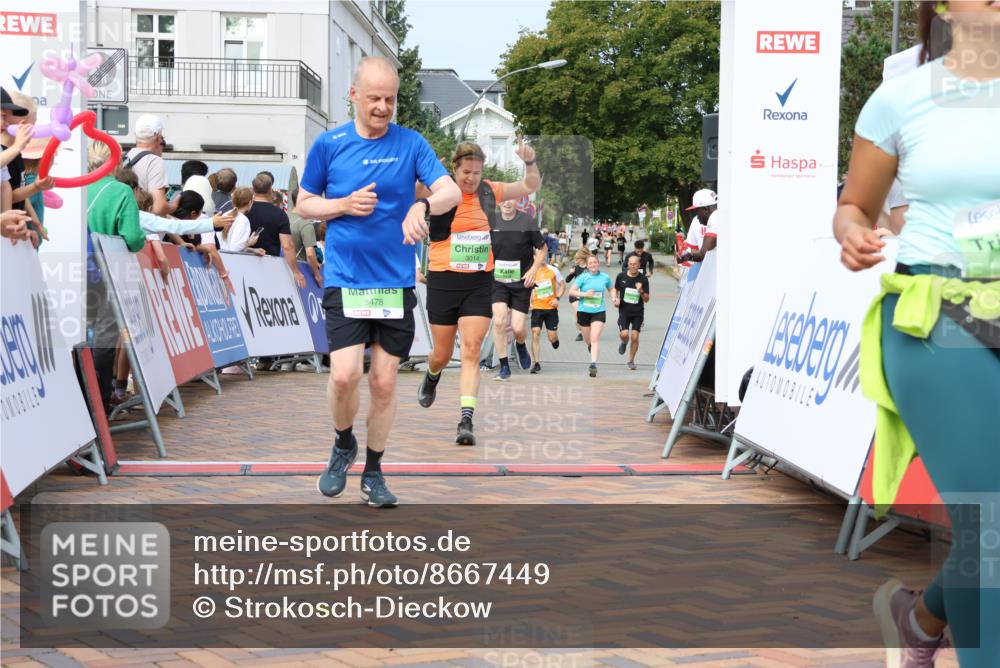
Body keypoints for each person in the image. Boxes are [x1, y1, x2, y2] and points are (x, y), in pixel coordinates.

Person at [834, 3, 999, 666]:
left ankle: (922, 615)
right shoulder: (902, 98)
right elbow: (855, 206)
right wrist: (853, 236)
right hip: (940, 318)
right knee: (990, 522)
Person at [296, 56, 460, 507]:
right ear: (353, 95)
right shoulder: (329, 145)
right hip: (347, 280)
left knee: (385, 383)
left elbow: (450, 191)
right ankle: (342, 442)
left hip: (394, 284)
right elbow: (304, 204)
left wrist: (421, 207)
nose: (384, 107)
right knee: (346, 375)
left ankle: (373, 472)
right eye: (374, 99)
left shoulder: (410, 144)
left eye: (390, 99)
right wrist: (343, 204)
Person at [416, 139, 540, 445]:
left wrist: (529, 162)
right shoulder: (438, 190)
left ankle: (466, 420)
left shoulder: (489, 190)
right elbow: (407, 191)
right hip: (443, 280)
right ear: (454, 169)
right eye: (466, 172)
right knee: (442, 355)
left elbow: (529, 185)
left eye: (476, 172)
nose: (471, 178)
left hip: (479, 282)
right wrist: (424, 172)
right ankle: (433, 375)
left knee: (471, 350)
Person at [86, 140, 147, 410]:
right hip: (106, 270)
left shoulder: (74, 186)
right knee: (104, 335)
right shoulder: (121, 191)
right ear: (117, 163)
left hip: (69, 269)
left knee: (72, 334)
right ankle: (99, 400)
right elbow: (133, 237)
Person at [490, 198, 546, 381]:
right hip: (498, 281)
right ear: (498, 203)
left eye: (511, 199)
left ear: (517, 202)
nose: (507, 202)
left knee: (517, 327)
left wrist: (533, 270)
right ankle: (504, 366)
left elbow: (542, 248)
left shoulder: (526, 221)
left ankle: (520, 344)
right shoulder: (491, 221)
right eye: (503, 199)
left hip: (522, 282)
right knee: (499, 322)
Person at [246, 173, 305, 288]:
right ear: (270, 190)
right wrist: (295, 271)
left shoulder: (244, 210)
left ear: (253, 189)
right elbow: (287, 245)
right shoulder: (279, 214)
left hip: (242, 262)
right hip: (269, 266)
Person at [569, 254, 613, 378]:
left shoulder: (605, 277)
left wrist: (614, 297)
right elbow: (571, 291)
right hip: (583, 312)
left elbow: (611, 288)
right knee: (588, 340)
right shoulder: (583, 277)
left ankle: (593, 364)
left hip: (599, 311)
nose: (593, 265)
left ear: (598, 263)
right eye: (590, 263)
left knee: (594, 338)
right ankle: (590, 347)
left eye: (595, 262)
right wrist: (584, 294)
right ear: (587, 266)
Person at [124, 114, 173, 216]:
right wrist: (174, 206)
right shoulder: (154, 162)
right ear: (158, 136)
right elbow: (158, 208)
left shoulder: (124, 158)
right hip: (143, 228)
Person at [613, 254, 650, 371]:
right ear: (627, 264)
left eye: (635, 264)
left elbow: (647, 299)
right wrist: (616, 299)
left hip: (638, 312)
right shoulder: (621, 276)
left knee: (635, 337)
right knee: (624, 335)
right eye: (631, 264)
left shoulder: (643, 279)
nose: (633, 266)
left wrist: (641, 290)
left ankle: (631, 360)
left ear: (639, 265)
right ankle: (624, 342)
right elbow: (616, 290)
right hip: (624, 311)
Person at [528, 260, 565, 374]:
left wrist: (557, 298)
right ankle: (536, 363)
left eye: (543, 255)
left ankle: (555, 340)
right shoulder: (531, 270)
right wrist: (529, 302)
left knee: (551, 337)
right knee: (535, 333)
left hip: (551, 309)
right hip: (537, 308)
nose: (541, 258)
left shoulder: (553, 270)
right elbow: (528, 287)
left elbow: (563, 285)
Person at [290, 189, 326, 287]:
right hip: (300, 272)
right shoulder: (305, 223)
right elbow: (310, 254)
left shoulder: (283, 217)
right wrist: (317, 275)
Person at [679, 188, 718, 263]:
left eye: (696, 211)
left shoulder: (715, 218)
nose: (697, 216)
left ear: (706, 209)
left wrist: (684, 257)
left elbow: (703, 254)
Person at [565, 248, 590, 342]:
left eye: (577, 258)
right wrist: (571, 273)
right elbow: (567, 280)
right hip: (575, 294)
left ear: (583, 258)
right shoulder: (575, 267)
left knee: (587, 314)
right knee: (578, 314)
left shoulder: (589, 267)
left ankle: (587, 329)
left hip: (586, 294)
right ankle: (581, 332)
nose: (576, 260)